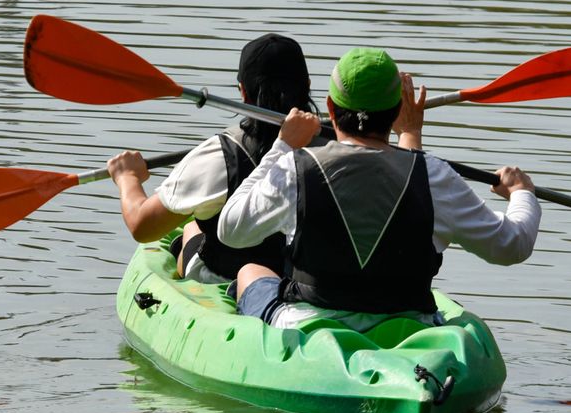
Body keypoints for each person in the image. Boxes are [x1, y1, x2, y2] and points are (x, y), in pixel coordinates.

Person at [216, 47, 540, 331]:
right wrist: (521, 192)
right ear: (397, 111)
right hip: (410, 328)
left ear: (330, 108)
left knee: (250, 271)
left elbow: (231, 231)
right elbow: (512, 245)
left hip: (309, 328)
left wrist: (284, 145)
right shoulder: (434, 175)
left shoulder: (295, 168)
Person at [105, 34, 322, 286]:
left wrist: (127, 177)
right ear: (307, 85)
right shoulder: (338, 147)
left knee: (192, 229)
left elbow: (142, 227)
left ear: (243, 91)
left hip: (226, 279)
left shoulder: (219, 155)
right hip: (310, 283)